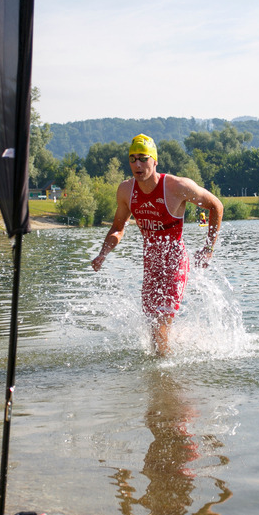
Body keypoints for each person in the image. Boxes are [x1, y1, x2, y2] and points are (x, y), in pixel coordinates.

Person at [91, 134, 223, 355]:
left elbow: (216, 206)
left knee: (159, 325)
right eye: (132, 159)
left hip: (175, 260)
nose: (138, 164)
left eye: (143, 158)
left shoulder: (176, 186)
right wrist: (102, 254)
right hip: (151, 262)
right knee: (152, 327)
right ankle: (167, 363)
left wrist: (208, 249)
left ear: (155, 161)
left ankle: (163, 381)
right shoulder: (126, 190)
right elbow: (117, 228)